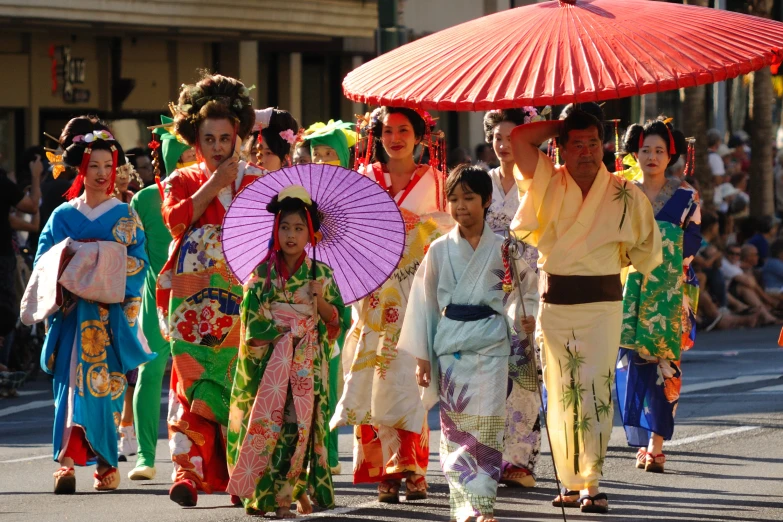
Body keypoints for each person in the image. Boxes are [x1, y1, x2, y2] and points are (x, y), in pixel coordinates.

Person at [509, 110, 661, 514]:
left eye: (594, 142)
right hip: (555, 304)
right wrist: (563, 120)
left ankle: (592, 481)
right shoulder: (547, 179)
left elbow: (647, 249)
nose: (587, 152)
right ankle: (571, 481)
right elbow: (521, 139)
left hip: (602, 305)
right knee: (560, 392)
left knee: (594, 389)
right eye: (576, 143)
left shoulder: (625, 192)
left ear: (604, 145)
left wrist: (621, 254)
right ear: (560, 147)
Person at [400, 165, 536, 522]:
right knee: (457, 428)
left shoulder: (505, 248)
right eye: (455, 199)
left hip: (492, 344)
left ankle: (482, 503)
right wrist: (423, 359)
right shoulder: (439, 250)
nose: (461, 206)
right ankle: (467, 504)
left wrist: (524, 315)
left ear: (487, 200)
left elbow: (524, 291)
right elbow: (425, 303)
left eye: (469, 198)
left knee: (487, 426)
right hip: (452, 345)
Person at [332, 106, 450, 503]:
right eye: (386, 131)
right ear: (376, 137)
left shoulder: (437, 182)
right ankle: (383, 469)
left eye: (404, 130)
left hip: (417, 290)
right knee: (370, 378)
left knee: (410, 376)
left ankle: (412, 467)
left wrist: (417, 228)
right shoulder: (363, 179)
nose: (395, 138)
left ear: (419, 137)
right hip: (372, 292)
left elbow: (446, 234)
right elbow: (344, 234)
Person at [30, 116, 154, 493]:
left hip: (109, 318)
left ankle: (104, 462)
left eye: (107, 166)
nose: (102, 173)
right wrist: (73, 263)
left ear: (116, 169)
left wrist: (92, 261)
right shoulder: (63, 216)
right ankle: (66, 465)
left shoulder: (125, 214)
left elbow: (139, 263)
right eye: (93, 166)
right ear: (81, 169)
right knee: (69, 390)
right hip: (71, 317)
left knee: (108, 392)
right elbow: (43, 262)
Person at [157, 73, 264, 507]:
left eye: (225, 137)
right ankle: (187, 472)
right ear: (195, 142)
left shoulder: (259, 181)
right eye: (209, 139)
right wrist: (215, 185)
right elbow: (176, 221)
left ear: (237, 135)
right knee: (192, 384)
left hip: (241, 299)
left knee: (241, 383)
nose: (218, 147)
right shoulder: (181, 181)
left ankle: (241, 474)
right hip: (191, 300)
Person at [226, 187, 348, 517]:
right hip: (271, 365)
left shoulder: (321, 274)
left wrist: (319, 300)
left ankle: (285, 496)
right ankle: (259, 496)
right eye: (284, 227)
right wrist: (284, 332)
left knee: (299, 429)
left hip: (307, 361)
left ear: (310, 233)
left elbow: (337, 320)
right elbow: (251, 326)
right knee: (269, 428)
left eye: (298, 228)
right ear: (275, 230)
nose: (290, 235)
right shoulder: (260, 275)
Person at [615, 118, 700, 474]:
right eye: (645, 149)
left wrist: (659, 255)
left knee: (665, 364)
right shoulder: (623, 191)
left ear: (671, 156)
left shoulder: (686, 196)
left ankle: (657, 443)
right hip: (629, 286)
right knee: (632, 361)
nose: (652, 156)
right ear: (635, 152)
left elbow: (692, 241)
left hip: (672, 287)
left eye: (659, 151)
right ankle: (641, 436)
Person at [125, 115, 191, 481]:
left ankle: (199, 455)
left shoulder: (205, 193)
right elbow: (132, 254)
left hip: (200, 299)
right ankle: (145, 457)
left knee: (201, 376)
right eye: (178, 159)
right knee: (149, 374)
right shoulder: (145, 200)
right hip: (156, 301)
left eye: (189, 157)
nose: (186, 165)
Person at [482, 108, 541, 488]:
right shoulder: (481, 183)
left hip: (529, 285)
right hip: (487, 287)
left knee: (524, 370)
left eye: (511, 138)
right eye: (498, 138)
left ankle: (518, 459)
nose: (504, 145)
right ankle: (488, 455)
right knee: (487, 374)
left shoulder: (538, 183)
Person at [301, 119, 359, 474]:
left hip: (341, 291)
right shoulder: (302, 198)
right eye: (316, 155)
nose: (322, 161)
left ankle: (331, 455)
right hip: (307, 289)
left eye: (330, 155)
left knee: (333, 375)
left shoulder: (357, 198)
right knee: (309, 374)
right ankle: (311, 451)